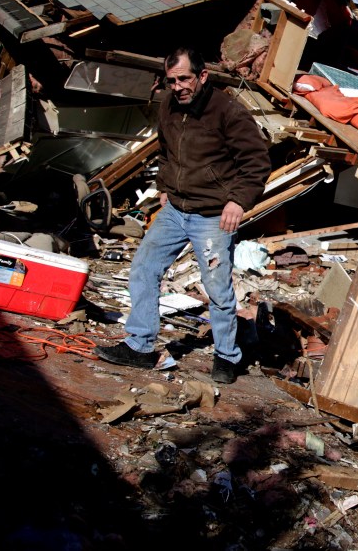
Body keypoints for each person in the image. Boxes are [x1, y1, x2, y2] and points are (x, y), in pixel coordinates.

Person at [94, 47, 271, 384]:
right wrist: (164, 185)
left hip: (212, 217)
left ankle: (226, 357)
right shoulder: (169, 104)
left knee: (217, 289)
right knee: (144, 268)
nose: (178, 87)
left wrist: (237, 201)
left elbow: (256, 162)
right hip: (175, 210)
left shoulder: (228, 111)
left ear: (202, 76)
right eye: (172, 80)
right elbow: (166, 150)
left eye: (184, 79)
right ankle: (140, 346)